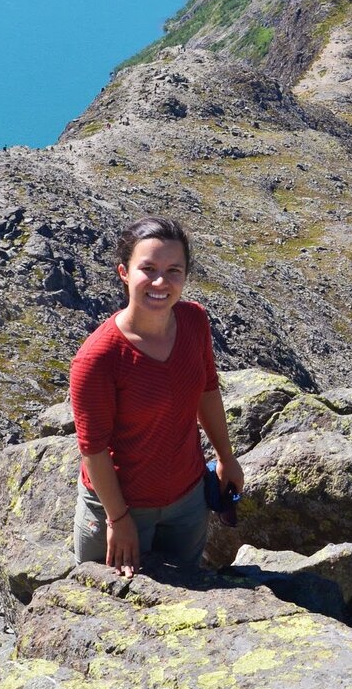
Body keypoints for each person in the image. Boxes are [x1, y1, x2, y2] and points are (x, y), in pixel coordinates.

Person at [70, 216, 244, 575]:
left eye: (174, 270)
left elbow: (207, 389)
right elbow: (94, 449)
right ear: (124, 272)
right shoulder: (98, 358)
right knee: (107, 610)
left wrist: (226, 457)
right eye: (147, 269)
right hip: (119, 508)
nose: (161, 282)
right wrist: (118, 519)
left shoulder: (194, 320)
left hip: (188, 501)